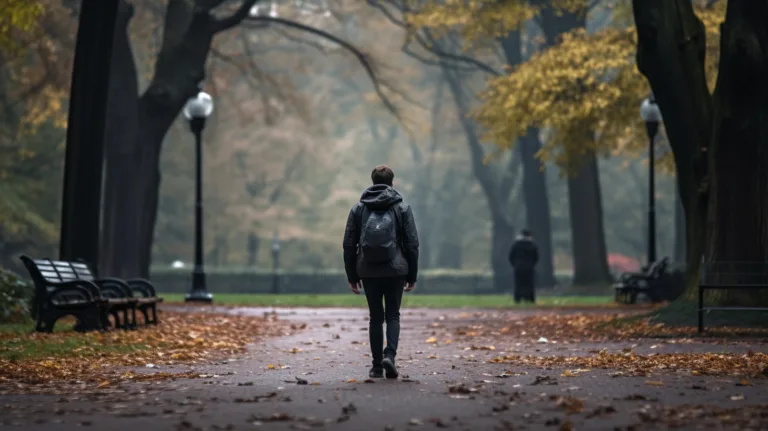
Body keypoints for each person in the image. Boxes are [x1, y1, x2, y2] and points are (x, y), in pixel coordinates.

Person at [342, 165, 419, 379]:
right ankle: (390, 357)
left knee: (375, 317)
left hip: (368, 270)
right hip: (396, 270)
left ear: (372, 181)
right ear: (392, 182)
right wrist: (412, 275)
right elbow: (412, 244)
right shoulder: (402, 208)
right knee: (393, 314)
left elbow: (349, 244)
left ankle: (376, 366)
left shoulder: (359, 209)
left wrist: (352, 276)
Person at [508, 228, 539, 304]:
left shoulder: (516, 244)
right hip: (529, 267)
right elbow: (536, 257)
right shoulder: (532, 245)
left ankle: (517, 299)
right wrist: (532, 264)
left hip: (518, 266)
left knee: (518, 283)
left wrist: (514, 264)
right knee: (529, 284)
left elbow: (511, 256)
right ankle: (530, 298)